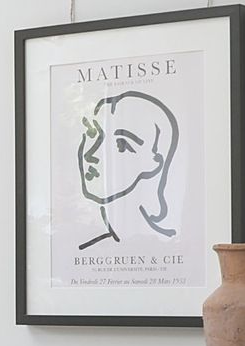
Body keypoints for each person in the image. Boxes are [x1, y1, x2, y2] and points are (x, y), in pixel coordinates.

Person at [75, 91, 180, 252]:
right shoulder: (82, 243)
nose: (92, 154)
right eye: (93, 134)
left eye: (121, 144)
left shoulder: (168, 246)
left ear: (154, 163)